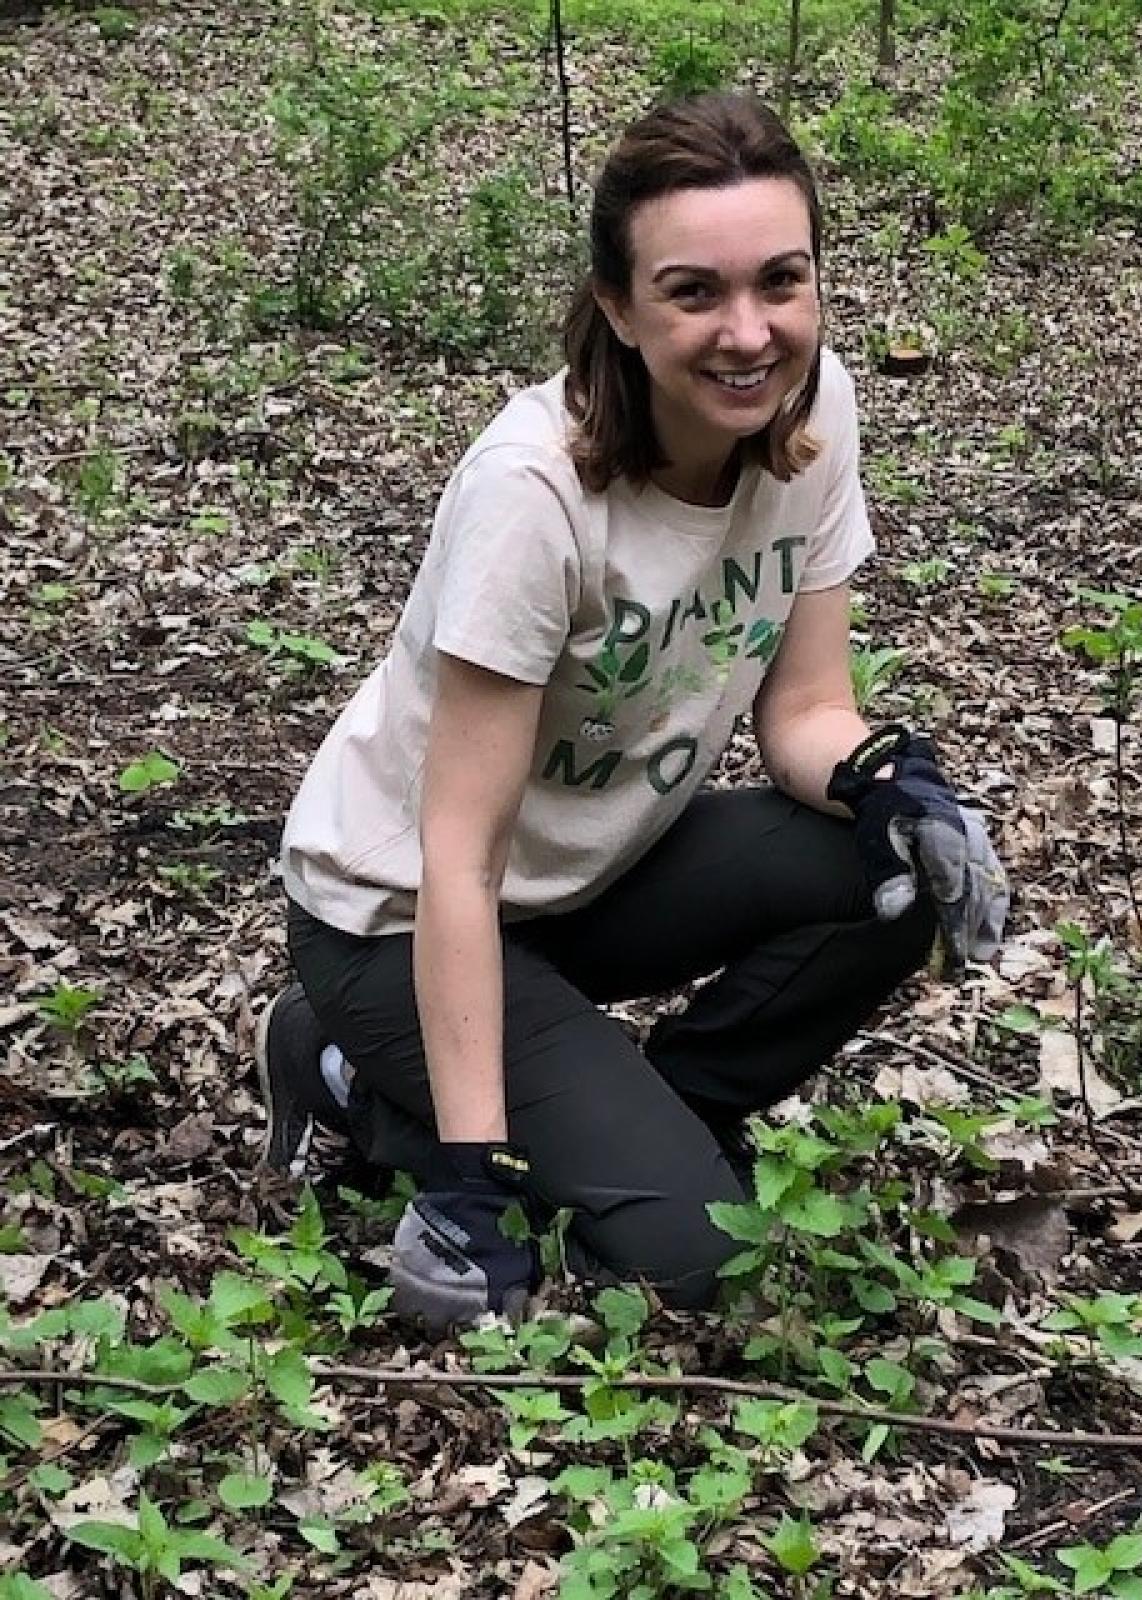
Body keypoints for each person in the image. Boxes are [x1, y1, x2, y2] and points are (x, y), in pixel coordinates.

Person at [256, 92, 1008, 1332]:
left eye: (782, 280)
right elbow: (460, 850)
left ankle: (669, 1112)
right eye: (694, 292)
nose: (749, 333)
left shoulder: (812, 417)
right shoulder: (533, 495)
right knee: (692, 1260)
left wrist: (892, 780)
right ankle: (345, 1073)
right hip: (401, 914)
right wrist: (466, 1174)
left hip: (592, 876)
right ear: (617, 305)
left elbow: (809, 708)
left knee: (887, 865)